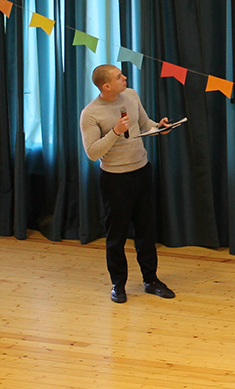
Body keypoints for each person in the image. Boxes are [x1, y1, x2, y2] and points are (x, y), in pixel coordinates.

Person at [79, 64, 176, 303]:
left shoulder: (131, 95)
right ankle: (118, 285)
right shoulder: (90, 113)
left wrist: (159, 128)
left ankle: (151, 280)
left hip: (141, 171)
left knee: (146, 230)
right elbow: (92, 153)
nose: (125, 78)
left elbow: (144, 123)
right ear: (106, 86)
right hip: (115, 179)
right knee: (117, 235)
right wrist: (114, 131)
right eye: (119, 77)